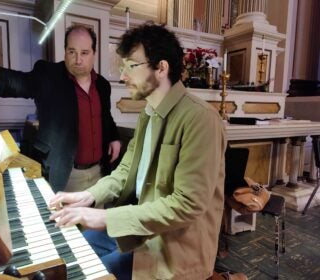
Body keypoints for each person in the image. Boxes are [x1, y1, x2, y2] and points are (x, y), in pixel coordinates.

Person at [49, 23, 227, 280]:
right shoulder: (149, 113)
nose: (122, 76)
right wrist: (89, 195)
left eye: (131, 66)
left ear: (161, 68)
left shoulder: (201, 119)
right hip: (142, 228)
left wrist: (106, 217)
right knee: (70, 252)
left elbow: (188, 204)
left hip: (172, 246)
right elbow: (125, 171)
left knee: (88, 274)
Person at [0, 25, 121, 193]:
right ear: (65, 51)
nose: (78, 59)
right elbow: (20, 83)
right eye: (72, 52)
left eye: (84, 53)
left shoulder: (103, 85)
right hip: (66, 174)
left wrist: (114, 138)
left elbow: (105, 117)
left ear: (94, 53)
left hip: (100, 172)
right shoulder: (49, 75)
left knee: (97, 218)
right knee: (67, 220)